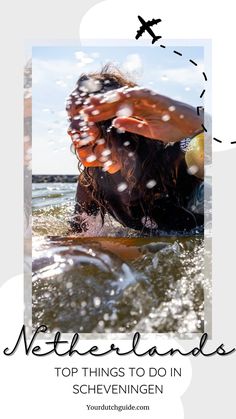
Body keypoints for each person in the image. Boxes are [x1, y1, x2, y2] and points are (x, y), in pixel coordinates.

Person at [66, 65, 204, 235]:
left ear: (116, 119)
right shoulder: (91, 182)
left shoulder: (174, 156)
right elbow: (75, 237)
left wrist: (197, 121)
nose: (71, 129)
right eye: (71, 119)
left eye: (85, 117)